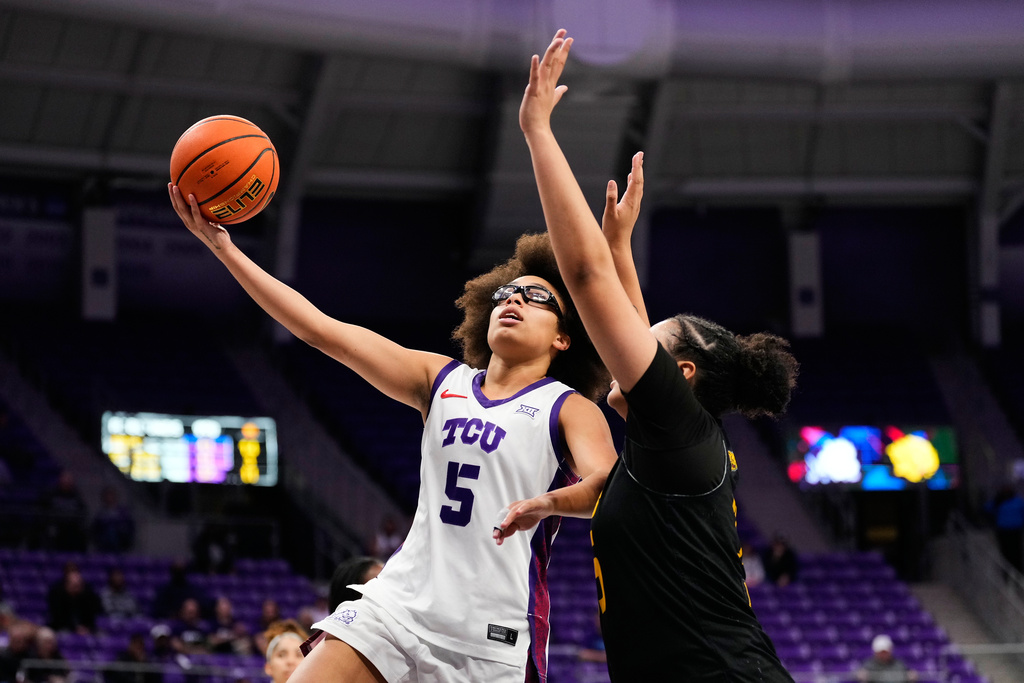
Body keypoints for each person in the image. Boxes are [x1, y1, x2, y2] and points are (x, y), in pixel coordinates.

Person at [168, 179, 618, 683]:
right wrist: (225, 250)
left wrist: (548, 503)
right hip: (399, 605)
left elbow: (608, 486)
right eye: (506, 293)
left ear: (563, 338)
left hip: (491, 631)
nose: (514, 299)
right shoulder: (440, 379)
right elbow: (321, 330)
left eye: (535, 297)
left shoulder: (569, 408)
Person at [512, 29, 799, 681]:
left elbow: (583, 277)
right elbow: (634, 329)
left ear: (681, 374)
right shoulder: (673, 442)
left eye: (652, 348)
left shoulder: (680, 429)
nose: (632, 347)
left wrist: (538, 132)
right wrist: (620, 248)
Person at [47, 565, 102, 634]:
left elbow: (93, 614)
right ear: (66, 584)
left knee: (101, 635)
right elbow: (58, 617)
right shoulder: (57, 594)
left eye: (78, 585)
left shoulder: (87, 595)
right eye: (73, 585)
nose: (76, 588)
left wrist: (86, 628)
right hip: (62, 627)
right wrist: (75, 628)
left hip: (86, 628)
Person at [985, 485, 1024, 572]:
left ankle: (1017, 570)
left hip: (1015, 530)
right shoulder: (999, 501)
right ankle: (1008, 570)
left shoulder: (1018, 501)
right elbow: (987, 509)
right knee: (1006, 551)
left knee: (1016, 551)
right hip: (1004, 530)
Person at [92, 486, 136, 553]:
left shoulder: (123, 512)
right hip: (104, 543)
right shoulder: (101, 514)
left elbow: (130, 527)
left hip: (120, 541)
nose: (109, 498)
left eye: (111, 495)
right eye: (107, 496)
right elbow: (95, 529)